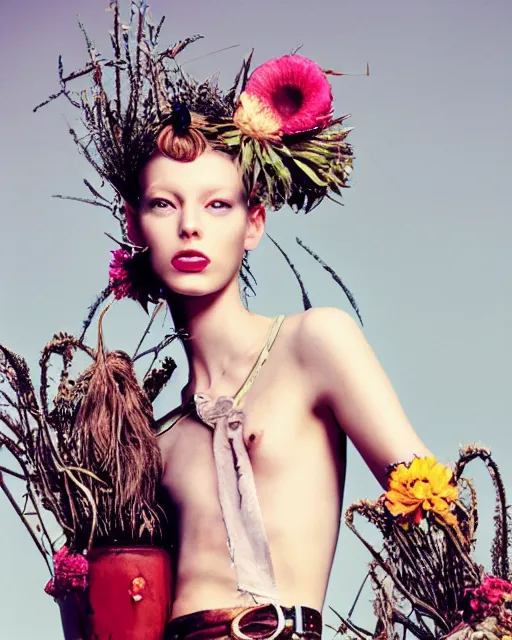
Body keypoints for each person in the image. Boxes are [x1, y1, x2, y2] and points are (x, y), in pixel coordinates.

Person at [37, 3, 431, 637]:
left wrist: (483, 617)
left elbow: (427, 507)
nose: (190, 224)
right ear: (134, 226)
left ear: (254, 222)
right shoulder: (153, 443)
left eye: (218, 204)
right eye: (165, 203)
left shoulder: (314, 344)